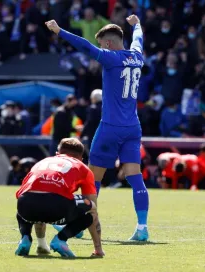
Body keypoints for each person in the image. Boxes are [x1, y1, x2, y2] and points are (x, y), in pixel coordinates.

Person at [45, 14, 149, 241]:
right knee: (135, 177)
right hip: (133, 127)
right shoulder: (137, 56)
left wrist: (59, 31)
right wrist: (137, 25)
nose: (101, 48)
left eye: (103, 44)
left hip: (110, 127)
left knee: (92, 179)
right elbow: (138, 38)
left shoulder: (111, 58)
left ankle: (80, 226)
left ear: (109, 44)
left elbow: (84, 46)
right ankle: (142, 228)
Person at [15, 138, 103, 257]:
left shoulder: (42, 162)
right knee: (91, 208)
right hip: (56, 206)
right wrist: (98, 248)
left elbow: (22, 192)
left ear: (57, 154)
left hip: (26, 206)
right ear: (81, 158)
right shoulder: (83, 168)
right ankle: (61, 239)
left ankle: (28, 238)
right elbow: (93, 207)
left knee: (33, 197)